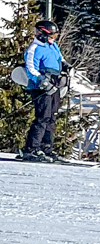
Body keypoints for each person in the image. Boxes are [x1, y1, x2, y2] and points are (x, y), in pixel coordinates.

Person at [20, 20, 67, 164]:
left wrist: (66, 67)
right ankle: (31, 148)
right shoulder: (34, 48)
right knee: (43, 117)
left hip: (55, 84)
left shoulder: (52, 46)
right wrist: (42, 81)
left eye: (55, 36)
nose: (54, 38)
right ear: (42, 34)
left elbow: (60, 59)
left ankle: (46, 147)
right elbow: (31, 69)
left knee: (52, 117)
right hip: (41, 87)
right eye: (52, 36)